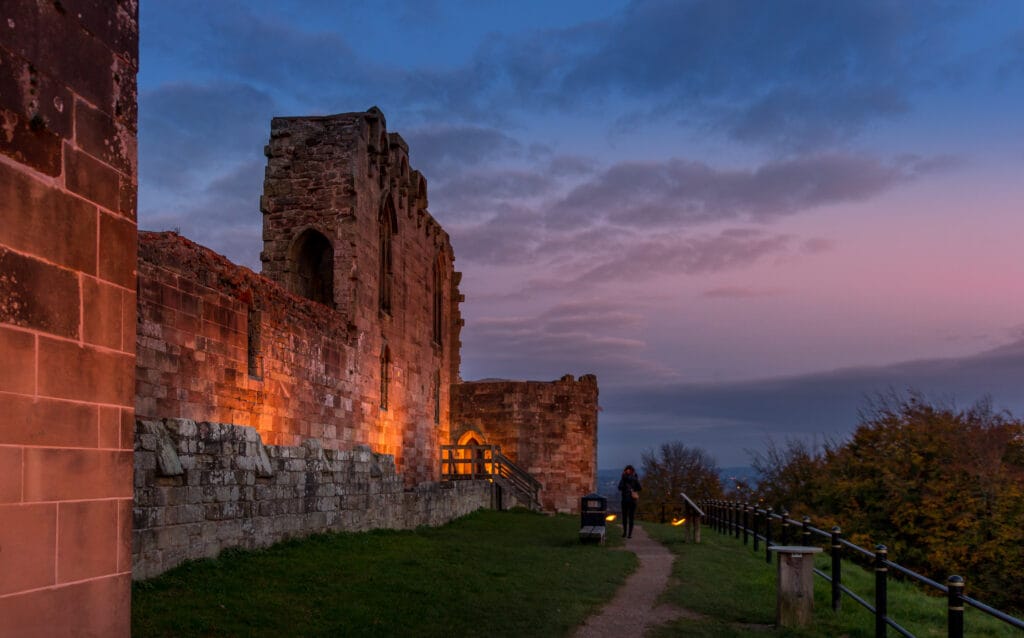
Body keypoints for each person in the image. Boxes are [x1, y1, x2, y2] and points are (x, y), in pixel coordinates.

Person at [617, 465, 642, 538]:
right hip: (632, 500)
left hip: (625, 500)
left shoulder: (624, 478)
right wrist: (634, 489)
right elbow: (639, 488)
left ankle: (625, 533)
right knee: (631, 517)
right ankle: (629, 534)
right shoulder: (634, 478)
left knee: (625, 517)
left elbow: (620, 487)